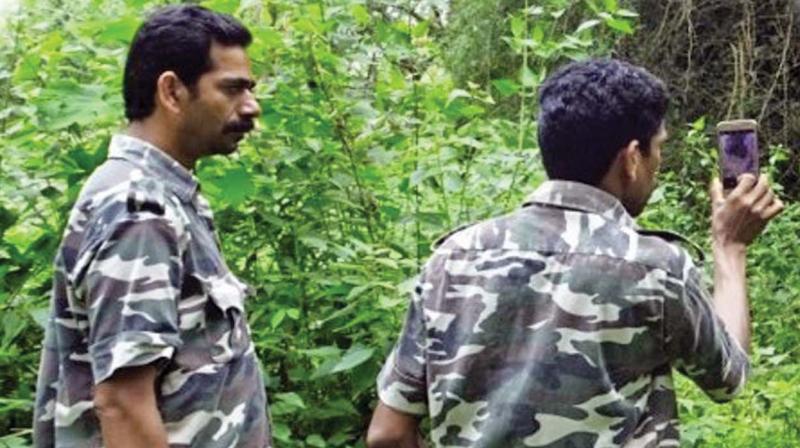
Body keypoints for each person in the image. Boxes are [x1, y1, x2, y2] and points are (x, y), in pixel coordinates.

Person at [366, 58, 783, 447]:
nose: (657, 164)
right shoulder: (654, 267)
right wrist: (730, 249)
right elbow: (730, 378)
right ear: (632, 159)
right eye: (658, 148)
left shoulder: (451, 259)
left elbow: (387, 433)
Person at [32, 5, 270, 447]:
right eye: (233, 89)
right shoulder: (139, 210)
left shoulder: (165, 197)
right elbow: (123, 403)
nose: (252, 107)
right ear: (172, 92)